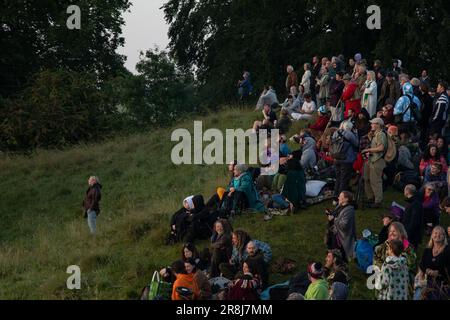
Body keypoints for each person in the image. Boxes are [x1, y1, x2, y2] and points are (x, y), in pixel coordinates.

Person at [414, 226, 450, 300]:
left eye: (441, 234)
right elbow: (422, 267)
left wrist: (438, 272)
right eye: (435, 233)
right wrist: (421, 280)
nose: (438, 235)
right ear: (432, 236)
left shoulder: (447, 250)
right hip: (427, 283)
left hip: (442, 285)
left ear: (444, 237)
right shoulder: (427, 250)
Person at [361, 118, 388, 208]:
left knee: (375, 181)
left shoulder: (381, 135)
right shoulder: (375, 134)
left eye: (373, 123)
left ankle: (378, 201)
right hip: (371, 160)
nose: (371, 125)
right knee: (367, 179)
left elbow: (381, 148)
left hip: (377, 161)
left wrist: (368, 149)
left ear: (378, 124)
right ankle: (371, 198)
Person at [327, 191, 357, 262]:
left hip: (343, 237)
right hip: (336, 233)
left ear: (346, 199)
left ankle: (340, 263)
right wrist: (330, 213)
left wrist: (333, 219)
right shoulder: (340, 206)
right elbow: (336, 215)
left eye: (340, 197)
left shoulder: (349, 210)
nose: (338, 198)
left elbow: (344, 225)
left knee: (340, 256)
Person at [332, 121, 359, 197]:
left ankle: (335, 196)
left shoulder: (335, 133)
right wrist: (356, 134)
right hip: (346, 159)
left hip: (336, 157)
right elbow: (357, 143)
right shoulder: (349, 134)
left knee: (338, 178)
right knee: (344, 179)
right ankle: (341, 197)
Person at [402, 185, 424, 249]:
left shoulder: (415, 203)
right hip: (408, 232)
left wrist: (407, 233)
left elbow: (415, 221)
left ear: (407, 192)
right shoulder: (412, 201)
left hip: (411, 235)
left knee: (409, 249)